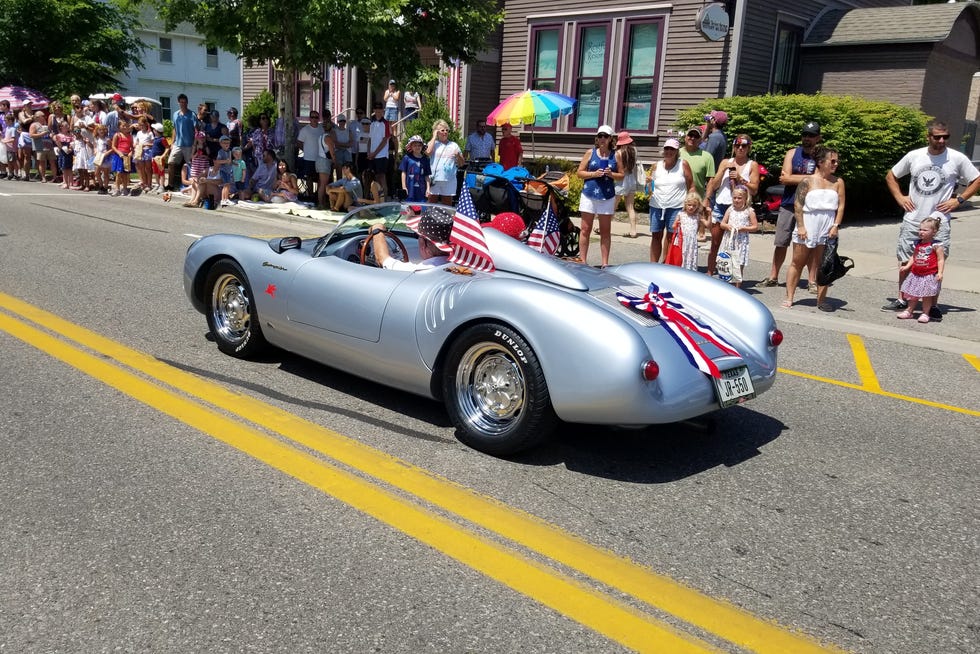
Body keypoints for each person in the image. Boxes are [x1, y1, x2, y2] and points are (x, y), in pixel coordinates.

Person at [883, 120, 980, 317]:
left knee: (935, 263)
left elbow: (976, 179)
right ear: (929, 137)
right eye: (937, 137)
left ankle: (932, 305)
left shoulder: (956, 158)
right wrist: (900, 197)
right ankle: (903, 299)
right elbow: (891, 176)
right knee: (905, 260)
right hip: (913, 219)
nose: (942, 140)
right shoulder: (915, 156)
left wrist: (959, 200)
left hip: (939, 222)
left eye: (945, 137)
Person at [760, 120, 822, 289]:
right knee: (781, 241)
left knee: (809, 244)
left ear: (818, 138)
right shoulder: (792, 153)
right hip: (788, 203)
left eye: (811, 135)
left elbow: (819, 180)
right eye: (805, 134)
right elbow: (784, 178)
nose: (807, 138)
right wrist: (807, 179)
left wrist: (795, 178)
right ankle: (773, 276)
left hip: (810, 207)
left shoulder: (820, 156)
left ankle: (812, 281)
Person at [783, 146, 845, 310]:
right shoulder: (807, 181)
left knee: (823, 264)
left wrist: (836, 225)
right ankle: (790, 297)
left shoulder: (838, 182)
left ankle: (821, 299)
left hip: (827, 224)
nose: (835, 164)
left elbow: (841, 206)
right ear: (821, 162)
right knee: (798, 262)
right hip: (809, 221)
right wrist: (801, 226)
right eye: (832, 161)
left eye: (837, 161)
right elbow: (798, 205)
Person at [703, 134, 760, 276]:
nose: (740, 148)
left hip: (739, 209)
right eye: (737, 145)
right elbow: (714, 185)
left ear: (749, 148)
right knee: (716, 242)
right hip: (722, 205)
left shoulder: (752, 165)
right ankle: (710, 272)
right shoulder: (725, 162)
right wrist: (723, 171)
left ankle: (732, 276)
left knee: (735, 245)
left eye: (744, 146)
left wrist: (741, 179)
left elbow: (754, 189)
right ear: (733, 147)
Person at [577, 125, 623, 267]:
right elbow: (579, 172)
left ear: (610, 139)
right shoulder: (590, 153)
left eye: (605, 136)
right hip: (589, 194)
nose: (602, 139)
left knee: (605, 231)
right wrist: (593, 174)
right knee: (585, 228)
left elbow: (622, 175)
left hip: (607, 196)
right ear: (597, 138)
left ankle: (604, 264)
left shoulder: (616, 155)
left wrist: (611, 174)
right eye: (600, 136)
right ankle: (583, 261)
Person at [647, 138, 695, 262]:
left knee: (671, 236)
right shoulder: (656, 166)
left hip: (676, 207)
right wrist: (647, 184)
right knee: (656, 235)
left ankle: (666, 264)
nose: (669, 151)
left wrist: (691, 204)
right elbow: (648, 188)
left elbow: (691, 186)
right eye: (667, 148)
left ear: (677, 151)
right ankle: (653, 265)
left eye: (672, 149)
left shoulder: (683, 164)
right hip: (657, 205)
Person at [897, 216, 946, 323]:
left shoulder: (936, 245)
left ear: (934, 231)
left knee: (926, 296)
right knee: (913, 295)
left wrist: (940, 273)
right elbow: (913, 257)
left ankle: (925, 313)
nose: (921, 232)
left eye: (925, 230)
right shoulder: (918, 243)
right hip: (916, 274)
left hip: (929, 275)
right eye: (920, 229)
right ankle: (909, 311)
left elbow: (941, 260)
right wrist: (907, 266)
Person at [678, 125, 716, 242]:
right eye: (690, 135)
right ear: (685, 137)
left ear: (700, 139)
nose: (692, 138)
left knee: (694, 232)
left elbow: (711, 180)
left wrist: (707, 198)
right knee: (679, 229)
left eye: (696, 136)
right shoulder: (676, 153)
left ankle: (700, 231)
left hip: (696, 198)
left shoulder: (707, 157)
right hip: (677, 197)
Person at [367, 219, 450, 271]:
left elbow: (382, 259)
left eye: (419, 237)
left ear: (424, 246)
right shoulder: (457, 266)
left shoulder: (416, 271)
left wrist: (377, 229)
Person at [719, 186, 759, 288]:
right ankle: (726, 286)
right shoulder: (730, 209)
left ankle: (737, 288)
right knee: (727, 264)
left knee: (738, 265)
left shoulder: (749, 211)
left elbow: (755, 227)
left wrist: (744, 228)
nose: (736, 200)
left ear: (745, 199)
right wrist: (727, 226)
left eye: (739, 198)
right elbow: (722, 223)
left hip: (741, 241)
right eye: (734, 198)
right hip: (729, 239)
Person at [614, 131, 644, 239]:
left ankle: (603, 227)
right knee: (630, 207)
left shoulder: (618, 153)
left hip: (622, 180)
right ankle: (633, 230)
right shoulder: (634, 151)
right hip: (632, 179)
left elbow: (619, 169)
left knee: (613, 206)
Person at [427, 119, 464, 205]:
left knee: (447, 205)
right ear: (437, 132)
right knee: (431, 203)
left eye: (447, 130)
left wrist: (458, 155)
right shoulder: (434, 143)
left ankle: (446, 219)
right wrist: (434, 136)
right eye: (442, 130)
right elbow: (428, 152)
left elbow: (462, 163)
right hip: (434, 179)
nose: (445, 132)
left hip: (449, 179)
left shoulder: (454, 145)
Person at [670, 192, 709, 272]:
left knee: (691, 257)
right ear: (685, 204)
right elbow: (673, 226)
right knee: (681, 257)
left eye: (694, 206)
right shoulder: (681, 214)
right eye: (689, 205)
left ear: (698, 206)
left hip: (692, 241)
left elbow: (708, 224)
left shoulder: (698, 216)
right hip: (682, 240)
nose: (691, 207)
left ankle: (690, 271)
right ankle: (680, 271)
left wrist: (710, 215)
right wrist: (676, 224)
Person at [166, 94, 196, 191]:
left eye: (184, 102)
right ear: (178, 103)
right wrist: (172, 142)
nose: (183, 104)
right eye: (181, 102)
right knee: (170, 162)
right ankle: (170, 184)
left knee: (190, 165)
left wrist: (194, 145)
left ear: (187, 102)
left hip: (189, 144)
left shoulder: (192, 115)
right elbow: (174, 129)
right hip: (178, 143)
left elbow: (196, 131)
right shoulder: (175, 114)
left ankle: (192, 185)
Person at [366, 102, 391, 199]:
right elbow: (370, 139)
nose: (378, 111)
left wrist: (374, 153)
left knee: (382, 177)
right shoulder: (372, 123)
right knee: (373, 178)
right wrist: (369, 153)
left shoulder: (385, 123)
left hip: (381, 155)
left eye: (380, 109)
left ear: (382, 111)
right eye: (376, 109)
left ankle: (385, 200)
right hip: (372, 155)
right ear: (374, 111)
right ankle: (376, 199)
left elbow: (385, 141)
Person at [297, 110, 323, 197]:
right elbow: (299, 142)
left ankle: (318, 195)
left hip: (320, 158)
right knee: (309, 178)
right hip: (308, 158)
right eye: (312, 117)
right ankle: (310, 195)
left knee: (319, 178)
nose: (314, 119)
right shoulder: (305, 130)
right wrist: (306, 150)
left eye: (316, 117)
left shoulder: (321, 128)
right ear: (309, 118)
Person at [400, 135, 431, 202]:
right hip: (409, 189)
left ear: (422, 146)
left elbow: (427, 175)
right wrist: (404, 187)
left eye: (419, 145)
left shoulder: (425, 160)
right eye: (415, 145)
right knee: (408, 209)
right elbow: (403, 173)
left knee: (422, 209)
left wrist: (428, 188)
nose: (417, 147)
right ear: (411, 146)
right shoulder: (407, 158)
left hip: (421, 190)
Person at [315, 118, 336, 208]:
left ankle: (321, 202)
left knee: (321, 183)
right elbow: (332, 152)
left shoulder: (321, 137)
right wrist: (335, 161)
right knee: (323, 184)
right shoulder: (328, 138)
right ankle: (321, 203)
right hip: (324, 161)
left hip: (319, 159)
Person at [134, 117, 154, 193]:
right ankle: (144, 183)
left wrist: (146, 144)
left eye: (142, 125)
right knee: (141, 168)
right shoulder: (139, 133)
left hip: (147, 151)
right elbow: (136, 142)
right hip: (140, 151)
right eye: (140, 125)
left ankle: (149, 184)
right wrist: (136, 145)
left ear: (146, 124)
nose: (141, 127)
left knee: (148, 169)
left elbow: (152, 143)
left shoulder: (150, 133)